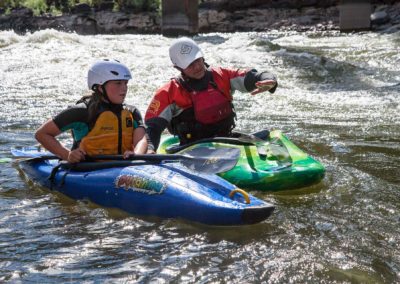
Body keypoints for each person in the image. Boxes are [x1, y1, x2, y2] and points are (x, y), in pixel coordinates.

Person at [144, 37, 278, 153]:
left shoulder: (221, 75)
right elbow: (153, 128)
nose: (197, 67)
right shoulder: (169, 92)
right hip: (190, 150)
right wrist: (150, 149)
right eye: (190, 65)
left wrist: (268, 80)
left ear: (202, 56)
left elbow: (252, 77)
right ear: (178, 68)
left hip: (226, 141)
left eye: (198, 60)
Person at [35, 59, 148, 163]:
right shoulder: (81, 112)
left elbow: (141, 140)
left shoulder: (132, 112)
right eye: (118, 83)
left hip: (123, 167)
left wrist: (136, 155)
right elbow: (42, 134)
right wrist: (68, 155)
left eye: (125, 83)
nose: (124, 88)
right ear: (100, 87)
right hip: (87, 168)